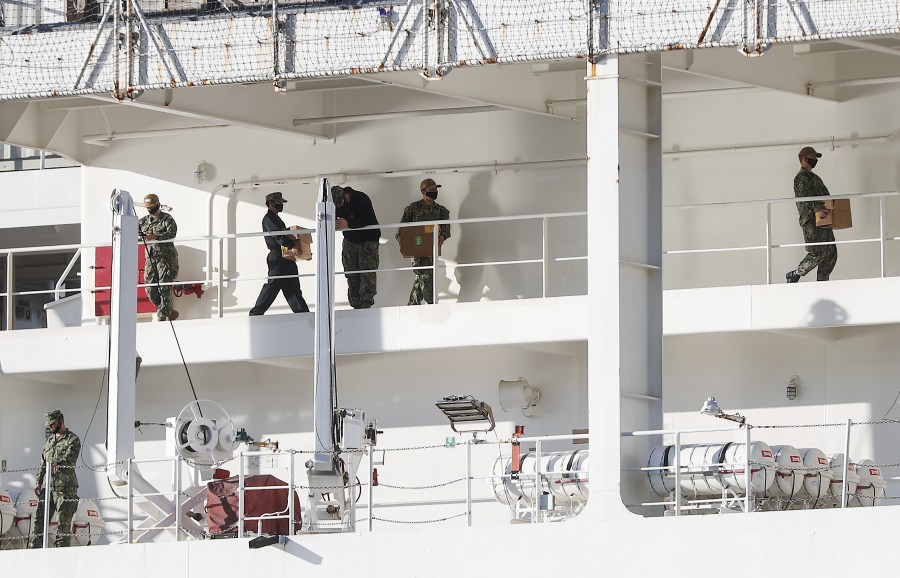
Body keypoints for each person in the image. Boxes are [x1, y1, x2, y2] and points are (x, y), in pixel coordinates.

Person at [249, 192, 310, 315]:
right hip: (277, 257)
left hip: (285, 255)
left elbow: (284, 235)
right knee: (273, 286)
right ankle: (255, 314)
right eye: (279, 203)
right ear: (271, 203)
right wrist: (292, 246)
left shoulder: (276, 218)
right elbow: (277, 236)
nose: (281, 205)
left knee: (292, 288)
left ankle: (302, 314)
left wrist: (303, 252)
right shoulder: (269, 219)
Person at [786, 146, 837, 283]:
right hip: (810, 220)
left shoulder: (815, 178)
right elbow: (804, 197)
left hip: (823, 219)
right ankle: (795, 274)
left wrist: (831, 208)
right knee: (817, 252)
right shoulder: (801, 178)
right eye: (813, 157)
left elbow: (826, 195)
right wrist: (817, 208)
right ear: (804, 158)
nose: (815, 160)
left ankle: (822, 282)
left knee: (831, 252)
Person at [31, 409, 81, 548]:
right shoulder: (49, 441)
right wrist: (38, 481)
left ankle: (61, 552)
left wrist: (57, 464)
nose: (51, 427)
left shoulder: (73, 439)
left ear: (61, 421)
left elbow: (70, 458)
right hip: (49, 487)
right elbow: (43, 461)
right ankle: (36, 549)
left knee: (63, 522)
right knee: (40, 519)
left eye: (53, 424)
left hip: (65, 487)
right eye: (49, 425)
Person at [397, 178, 451, 305]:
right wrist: (405, 244)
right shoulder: (413, 208)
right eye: (432, 190)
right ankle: (431, 303)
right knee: (425, 276)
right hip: (417, 249)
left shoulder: (441, 210)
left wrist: (442, 237)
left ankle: (413, 304)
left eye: (436, 190)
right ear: (423, 191)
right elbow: (402, 229)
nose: (435, 192)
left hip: (432, 249)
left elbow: (446, 229)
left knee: (423, 276)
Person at [333, 185, 381, 309]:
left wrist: (349, 224)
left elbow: (366, 219)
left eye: (341, 203)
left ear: (345, 196)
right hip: (350, 239)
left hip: (368, 240)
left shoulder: (361, 198)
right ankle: (355, 302)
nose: (340, 207)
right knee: (351, 271)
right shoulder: (335, 204)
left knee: (367, 271)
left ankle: (366, 301)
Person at [139, 193, 180, 321]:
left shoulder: (167, 219)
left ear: (158, 205)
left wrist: (156, 237)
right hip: (151, 259)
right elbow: (135, 233)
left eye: (152, 206)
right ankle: (168, 311)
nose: (150, 209)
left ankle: (162, 317)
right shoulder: (143, 221)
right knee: (150, 288)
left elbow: (172, 233)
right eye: (148, 207)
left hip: (165, 258)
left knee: (164, 286)